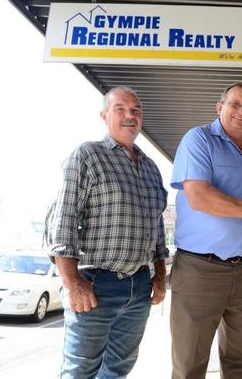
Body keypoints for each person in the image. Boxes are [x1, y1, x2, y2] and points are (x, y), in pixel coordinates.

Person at [47, 86, 169, 378]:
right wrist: (72, 282)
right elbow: (62, 221)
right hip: (94, 285)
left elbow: (157, 227)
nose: (130, 115)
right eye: (120, 109)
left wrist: (161, 275)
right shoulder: (87, 156)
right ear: (105, 116)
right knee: (81, 370)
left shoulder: (151, 167)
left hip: (139, 287)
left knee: (118, 368)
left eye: (136, 110)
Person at [169, 82, 242, 379]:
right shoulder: (198, 140)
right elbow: (199, 196)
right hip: (200, 270)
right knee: (189, 365)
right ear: (219, 107)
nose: (241, 111)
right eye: (235, 104)